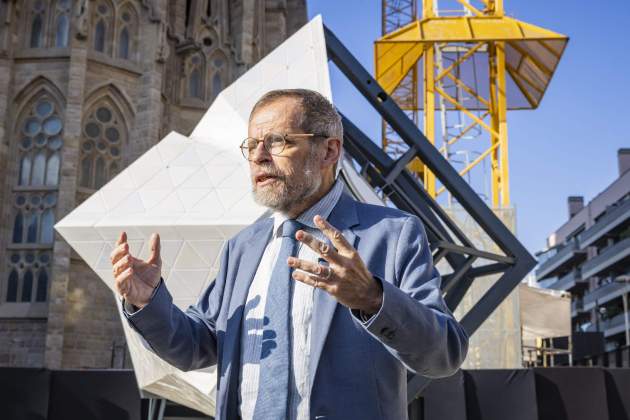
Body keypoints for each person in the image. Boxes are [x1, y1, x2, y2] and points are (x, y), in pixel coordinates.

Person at [110, 89, 468, 420]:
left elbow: (444, 355)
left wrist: (374, 299)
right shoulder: (242, 248)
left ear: (329, 151)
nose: (259, 157)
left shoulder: (392, 234)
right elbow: (195, 346)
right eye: (251, 145)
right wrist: (148, 303)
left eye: (277, 141)